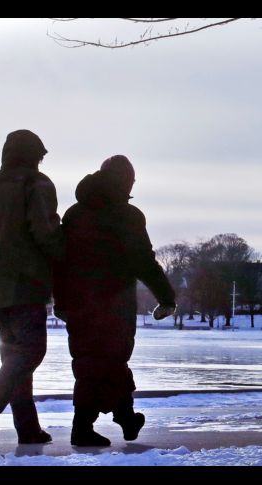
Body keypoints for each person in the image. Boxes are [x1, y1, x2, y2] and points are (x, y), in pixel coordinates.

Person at [54, 155, 176, 447]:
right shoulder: (127, 216)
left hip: (79, 303)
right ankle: (91, 426)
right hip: (114, 304)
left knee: (90, 363)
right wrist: (166, 297)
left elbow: (59, 261)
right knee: (111, 361)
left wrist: (61, 300)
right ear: (125, 181)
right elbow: (143, 261)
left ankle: (123, 418)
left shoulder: (74, 214)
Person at [0, 129, 63, 446]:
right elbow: (46, 234)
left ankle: (28, 428)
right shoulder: (36, 184)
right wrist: (68, 264)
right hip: (26, 284)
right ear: (35, 156)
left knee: (15, 358)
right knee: (31, 350)